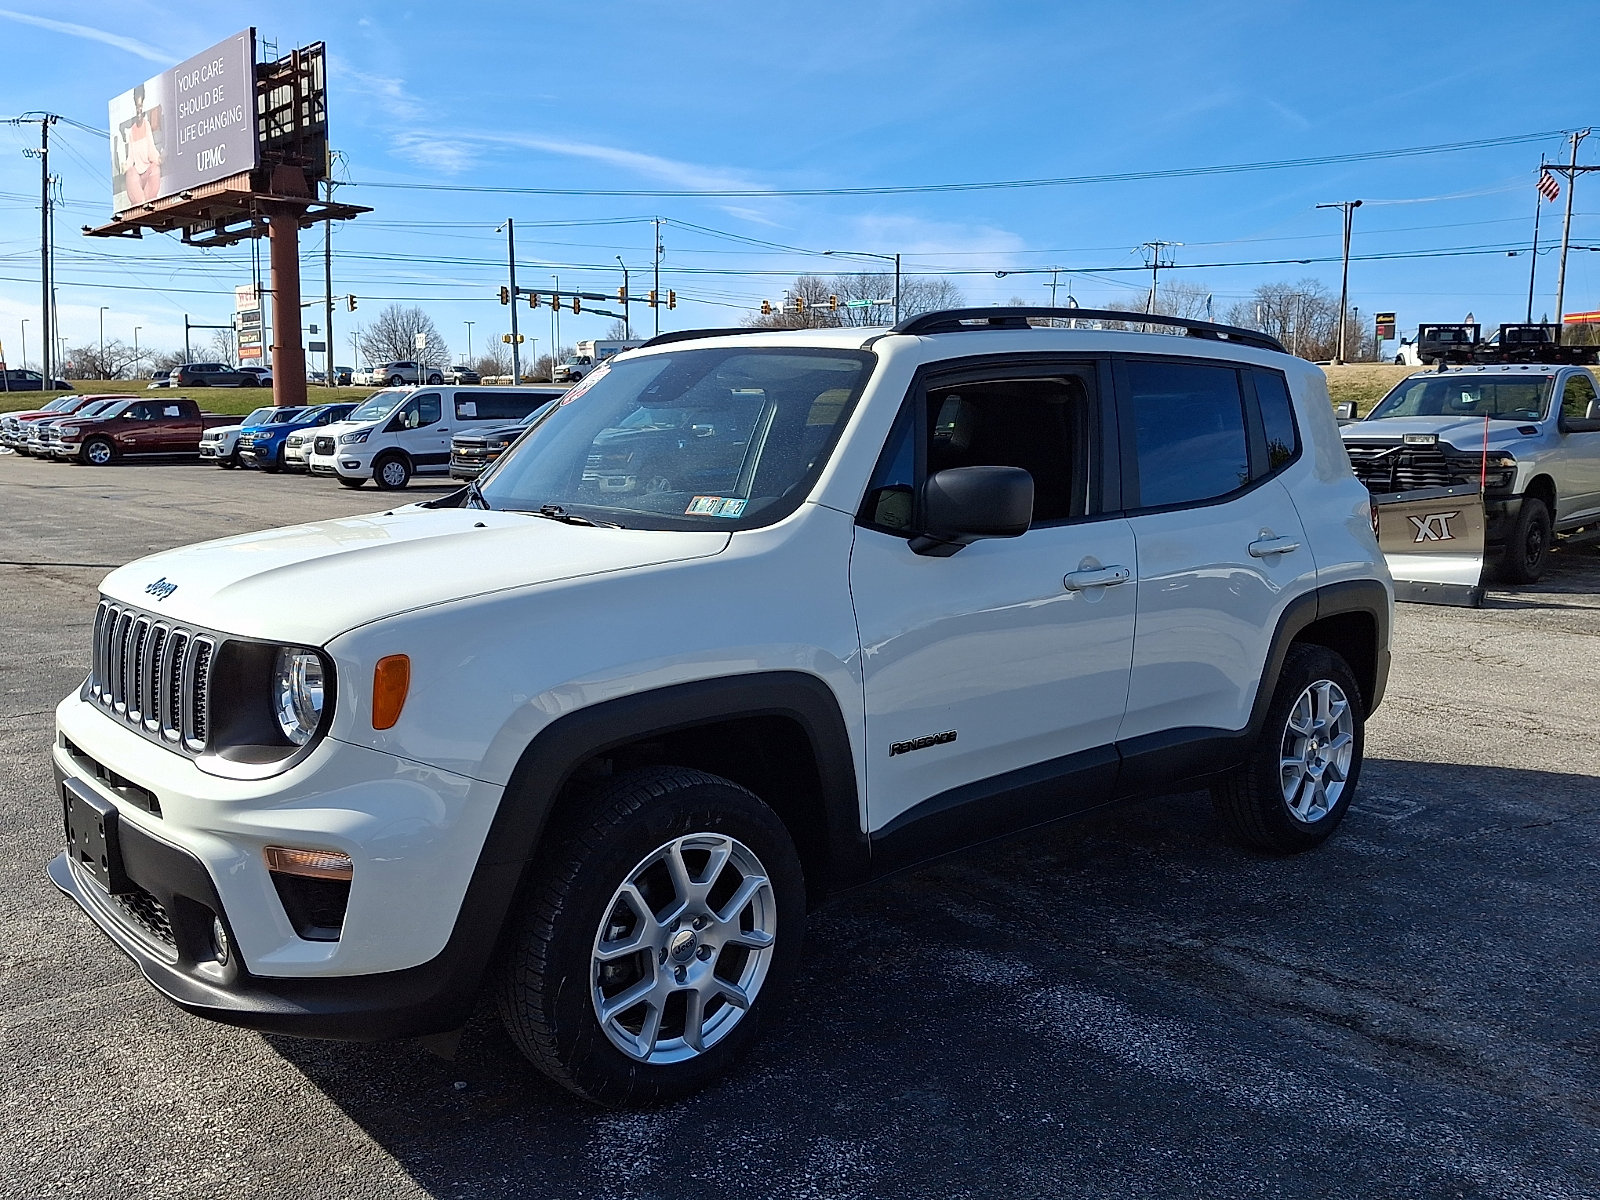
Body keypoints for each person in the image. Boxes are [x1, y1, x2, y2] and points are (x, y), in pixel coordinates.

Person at [119, 84, 163, 205]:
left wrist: (158, 159)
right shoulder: (131, 131)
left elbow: (151, 150)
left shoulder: (147, 125)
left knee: (155, 168)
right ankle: (142, 202)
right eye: (137, 107)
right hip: (137, 174)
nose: (139, 110)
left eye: (141, 106)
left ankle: (148, 200)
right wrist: (125, 167)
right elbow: (131, 158)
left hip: (148, 171)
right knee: (131, 173)